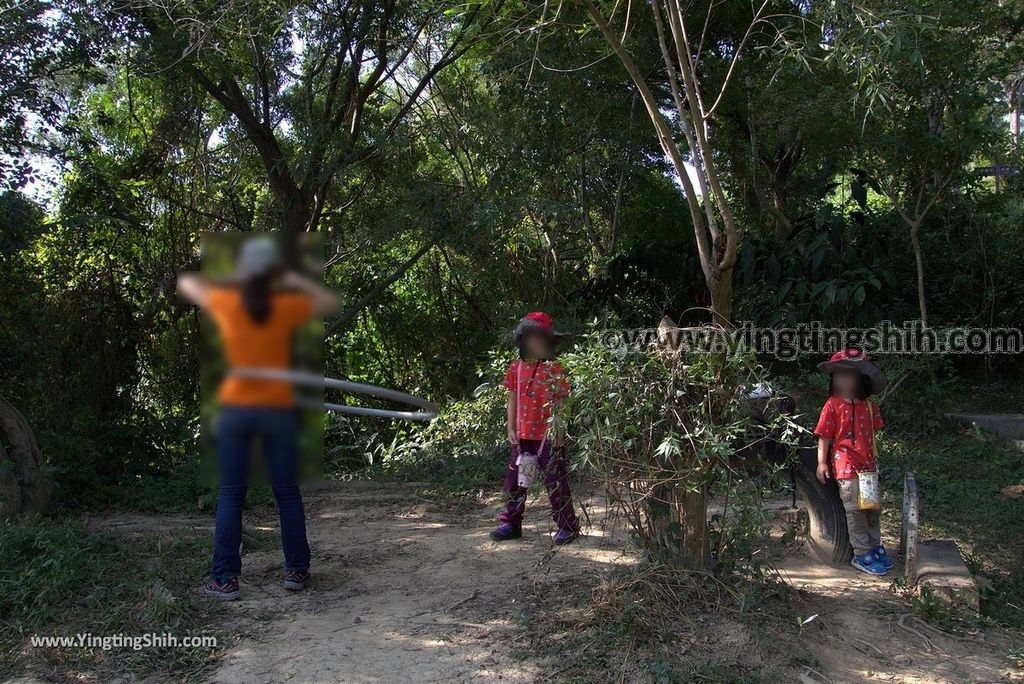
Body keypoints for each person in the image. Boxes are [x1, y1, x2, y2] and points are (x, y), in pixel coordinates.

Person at [178, 236, 340, 600]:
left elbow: (187, 283)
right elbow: (328, 302)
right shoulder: (287, 304)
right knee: (287, 494)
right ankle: (296, 571)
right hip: (278, 411)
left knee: (231, 494)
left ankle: (224, 578)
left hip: (236, 410)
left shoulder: (227, 301)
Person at [490, 312, 581, 545]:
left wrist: (558, 429)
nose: (536, 343)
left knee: (556, 480)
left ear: (549, 340)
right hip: (522, 438)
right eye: (531, 338)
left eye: (540, 338)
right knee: (514, 483)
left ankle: (567, 526)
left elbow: (561, 401)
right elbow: (512, 398)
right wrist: (510, 427)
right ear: (523, 340)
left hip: (548, 437)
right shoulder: (516, 368)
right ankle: (511, 523)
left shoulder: (555, 368)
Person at [813, 348, 893, 576]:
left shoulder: (869, 406)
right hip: (846, 468)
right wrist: (822, 462)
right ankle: (861, 552)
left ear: (861, 379)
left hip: (869, 469)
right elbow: (825, 435)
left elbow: (872, 436)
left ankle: (875, 546)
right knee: (855, 510)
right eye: (838, 375)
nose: (842, 379)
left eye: (848, 375)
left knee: (872, 510)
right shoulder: (833, 405)